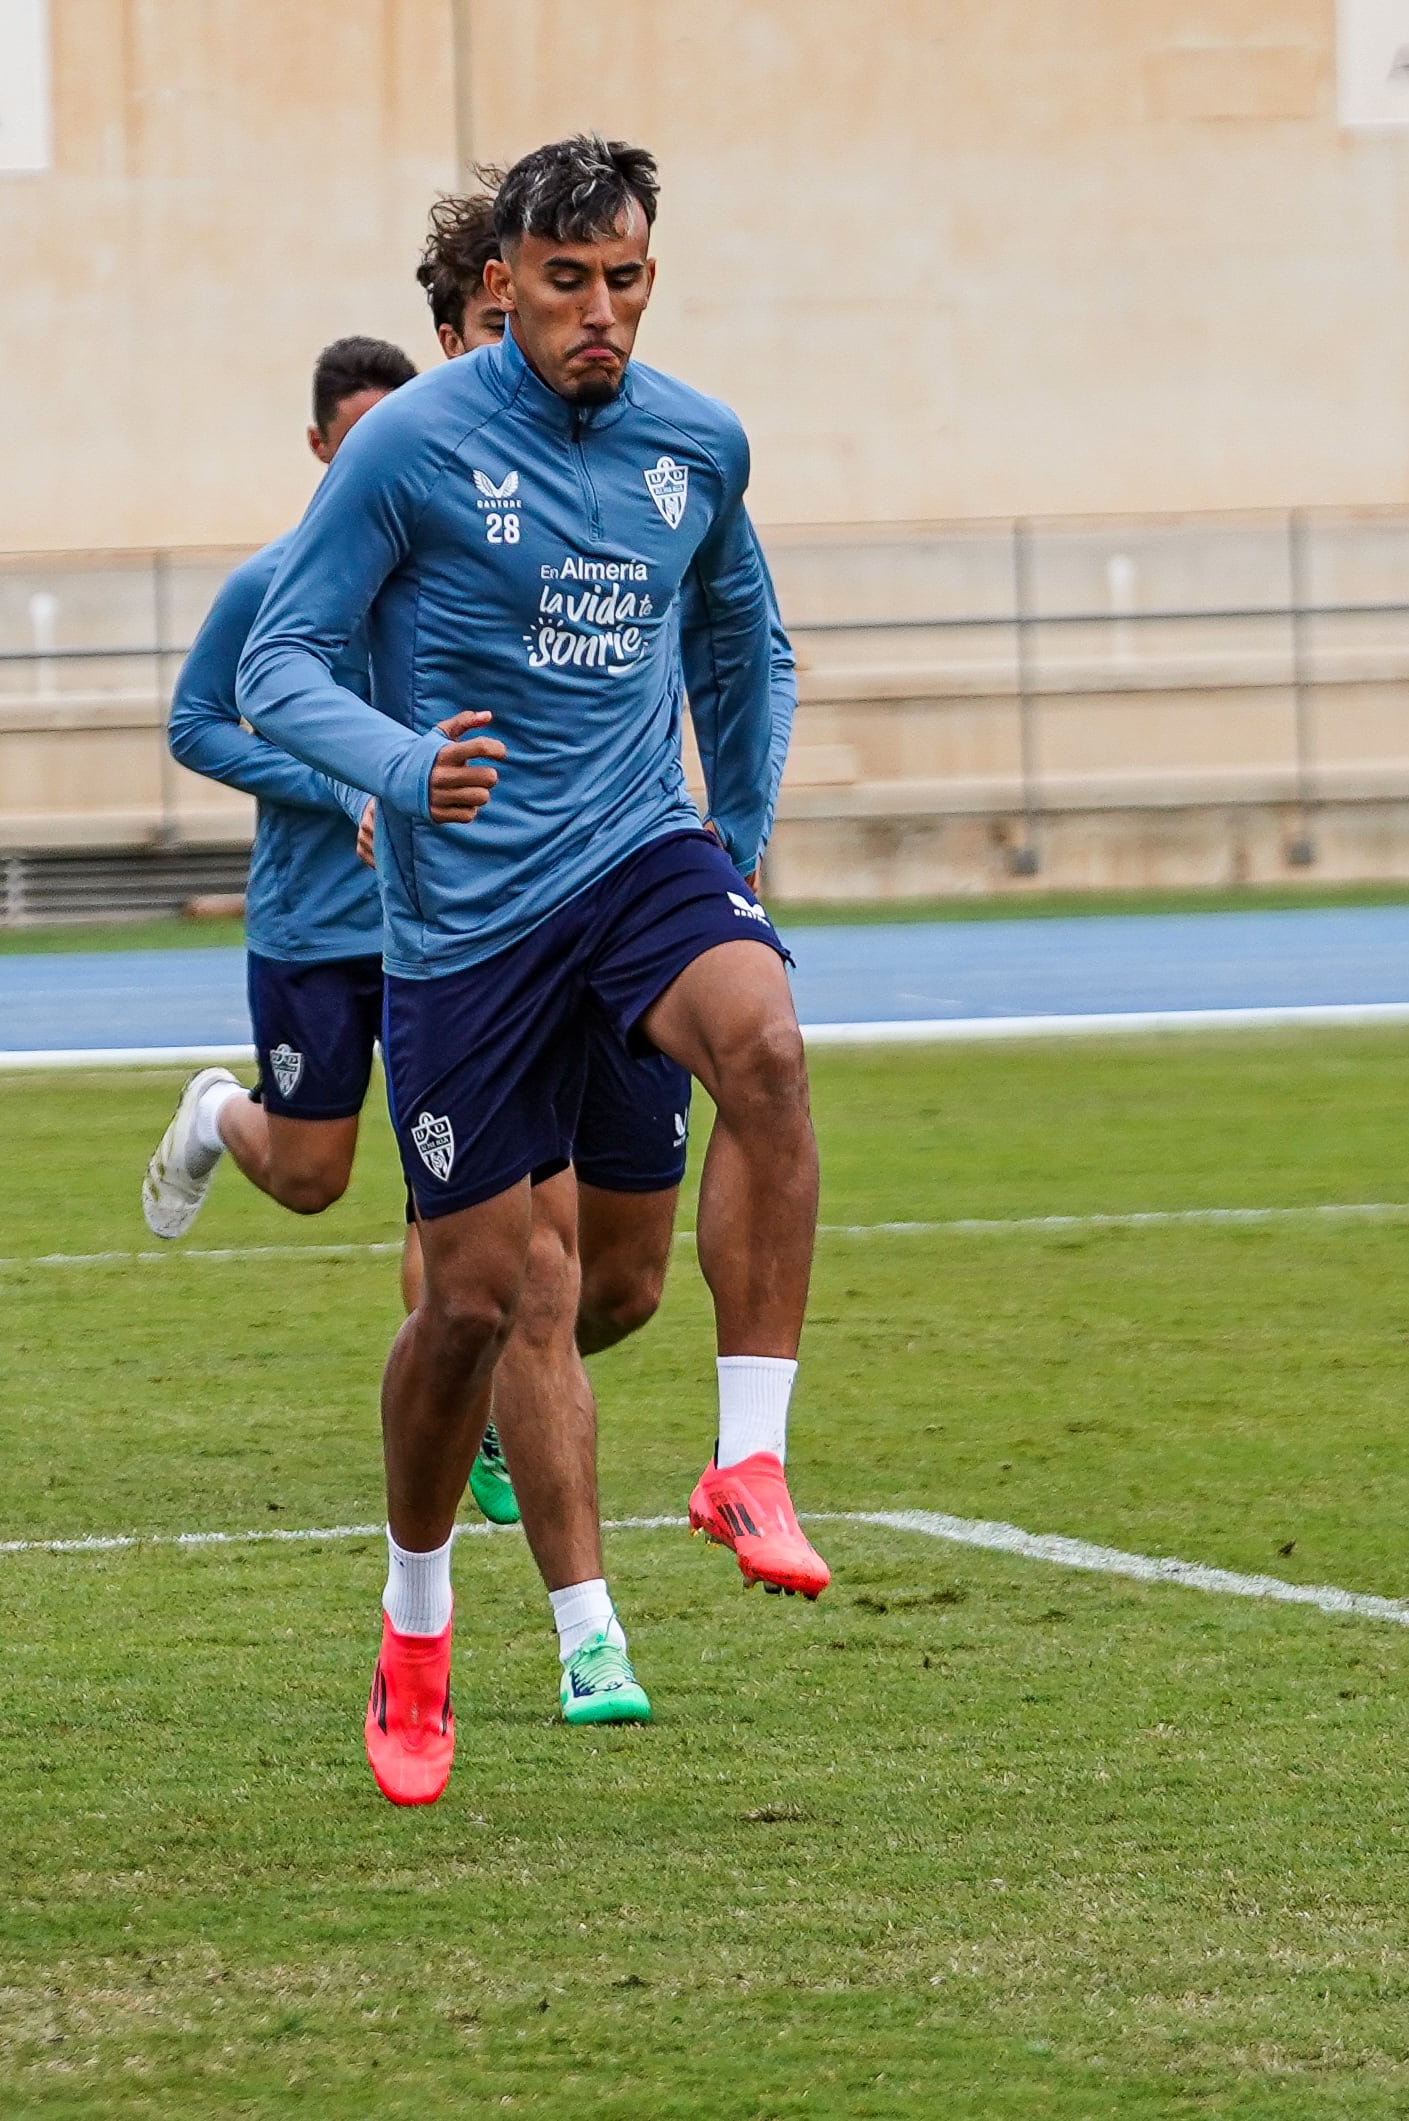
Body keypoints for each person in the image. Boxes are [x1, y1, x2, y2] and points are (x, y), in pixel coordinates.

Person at [240, 136, 825, 1805]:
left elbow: (734, 637)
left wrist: (743, 835)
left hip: (638, 855)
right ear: (502, 280)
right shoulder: (412, 446)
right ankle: (416, 1612)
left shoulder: (697, 444)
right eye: (565, 282)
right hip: (468, 922)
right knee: (480, 1303)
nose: (599, 314)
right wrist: (394, 763)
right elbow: (281, 660)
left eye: (624, 280)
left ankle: (747, 1458)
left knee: (767, 1052)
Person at [144, 335, 417, 1245]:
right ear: (318, 446)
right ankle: (220, 1110)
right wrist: (342, 783)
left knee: (464, 1192)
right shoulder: (269, 582)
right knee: (310, 1180)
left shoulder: (453, 581)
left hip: (441, 924)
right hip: (313, 929)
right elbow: (195, 724)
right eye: (355, 442)